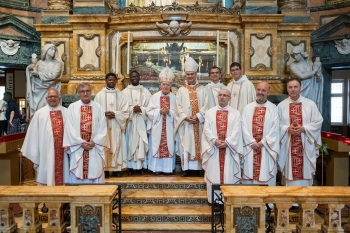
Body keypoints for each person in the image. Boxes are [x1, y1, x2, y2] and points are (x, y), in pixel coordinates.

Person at [277, 77, 323, 186]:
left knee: (305, 172)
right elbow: (276, 124)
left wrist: (304, 128)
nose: (293, 89)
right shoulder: (281, 106)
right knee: (290, 173)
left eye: (295, 87)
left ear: (300, 88)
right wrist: (287, 128)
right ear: (287, 89)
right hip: (289, 144)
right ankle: (289, 200)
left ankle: (305, 199)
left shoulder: (310, 104)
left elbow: (318, 121)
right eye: (290, 87)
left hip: (305, 145)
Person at [201, 89, 243, 202]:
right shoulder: (210, 112)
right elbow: (206, 129)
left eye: (225, 95)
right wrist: (215, 140)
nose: (222, 97)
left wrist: (227, 142)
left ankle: (228, 200)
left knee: (228, 175)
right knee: (214, 175)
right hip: (214, 149)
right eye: (220, 95)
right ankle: (214, 201)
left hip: (229, 150)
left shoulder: (236, 113)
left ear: (230, 98)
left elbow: (237, 131)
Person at [21, 88, 69, 186]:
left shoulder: (66, 112)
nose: (52, 99)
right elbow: (33, 134)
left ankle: (63, 199)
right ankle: (46, 199)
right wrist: (35, 150)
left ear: (59, 98)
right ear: (46, 99)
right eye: (50, 97)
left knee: (64, 175)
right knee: (47, 172)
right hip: (45, 151)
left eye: (55, 96)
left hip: (63, 151)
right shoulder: (40, 113)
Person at [63, 82, 108, 184]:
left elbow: (103, 127)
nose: (85, 93)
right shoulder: (72, 107)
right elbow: (69, 128)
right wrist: (81, 143)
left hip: (94, 147)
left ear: (91, 92)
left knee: (95, 170)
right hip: (79, 148)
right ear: (78, 93)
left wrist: (95, 142)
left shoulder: (98, 107)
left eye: (87, 91)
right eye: (82, 91)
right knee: (78, 171)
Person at [174, 57, 209, 177]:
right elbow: (177, 107)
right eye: (188, 74)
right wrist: (185, 117)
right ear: (185, 75)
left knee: (200, 144)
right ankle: (187, 169)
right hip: (186, 124)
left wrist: (198, 116)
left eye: (192, 74)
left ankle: (199, 168)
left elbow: (207, 105)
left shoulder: (203, 89)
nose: (190, 76)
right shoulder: (181, 91)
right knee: (186, 145)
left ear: (195, 74)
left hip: (199, 124)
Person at [241, 82, 280, 186]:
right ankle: (249, 200)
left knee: (265, 173)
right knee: (250, 173)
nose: (260, 92)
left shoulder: (273, 108)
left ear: (268, 92)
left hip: (266, 148)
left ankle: (267, 200)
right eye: (258, 90)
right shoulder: (247, 108)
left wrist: (263, 142)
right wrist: (251, 142)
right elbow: (243, 127)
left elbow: (275, 129)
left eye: (263, 90)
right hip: (250, 148)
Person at [94, 73, 129, 178]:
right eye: (109, 80)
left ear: (116, 81)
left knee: (117, 144)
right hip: (103, 126)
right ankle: (104, 169)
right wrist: (104, 114)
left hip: (116, 125)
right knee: (105, 145)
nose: (111, 82)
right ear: (106, 80)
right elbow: (95, 111)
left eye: (113, 80)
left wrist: (115, 114)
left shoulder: (121, 95)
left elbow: (126, 111)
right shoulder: (99, 95)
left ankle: (116, 169)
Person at [147, 67, 176, 175]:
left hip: (169, 127)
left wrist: (169, 112)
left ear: (171, 86)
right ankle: (156, 168)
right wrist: (159, 111)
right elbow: (149, 111)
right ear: (160, 85)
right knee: (156, 145)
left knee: (169, 145)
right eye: (164, 84)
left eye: (168, 85)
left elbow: (177, 113)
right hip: (157, 127)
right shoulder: (154, 97)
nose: (165, 86)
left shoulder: (174, 98)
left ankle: (168, 169)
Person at [122, 71, 152, 176]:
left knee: (141, 144)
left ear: (139, 77)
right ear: (129, 78)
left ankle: (140, 167)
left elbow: (150, 108)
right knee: (130, 143)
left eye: (136, 76)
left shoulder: (146, 92)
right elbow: (122, 109)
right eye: (132, 76)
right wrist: (131, 109)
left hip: (141, 122)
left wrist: (141, 109)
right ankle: (130, 167)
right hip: (130, 122)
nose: (134, 78)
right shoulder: (124, 92)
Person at [26, 44, 63, 118]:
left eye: (54, 50)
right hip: (38, 92)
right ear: (46, 50)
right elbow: (33, 73)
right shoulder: (39, 63)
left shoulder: (57, 64)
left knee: (51, 113)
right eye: (51, 49)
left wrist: (39, 74)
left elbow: (54, 75)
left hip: (51, 89)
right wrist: (29, 69)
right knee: (39, 113)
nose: (53, 51)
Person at [290, 46, 324, 113]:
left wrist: (318, 72)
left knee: (311, 108)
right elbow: (302, 76)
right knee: (301, 108)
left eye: (297, 54)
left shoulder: (310, 63)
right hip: (301, 88)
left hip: (312, 87)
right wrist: (314, 71)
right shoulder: (293, 65)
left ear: (301, 53)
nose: (295, 57)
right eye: (294, 55)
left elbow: (318, 78)